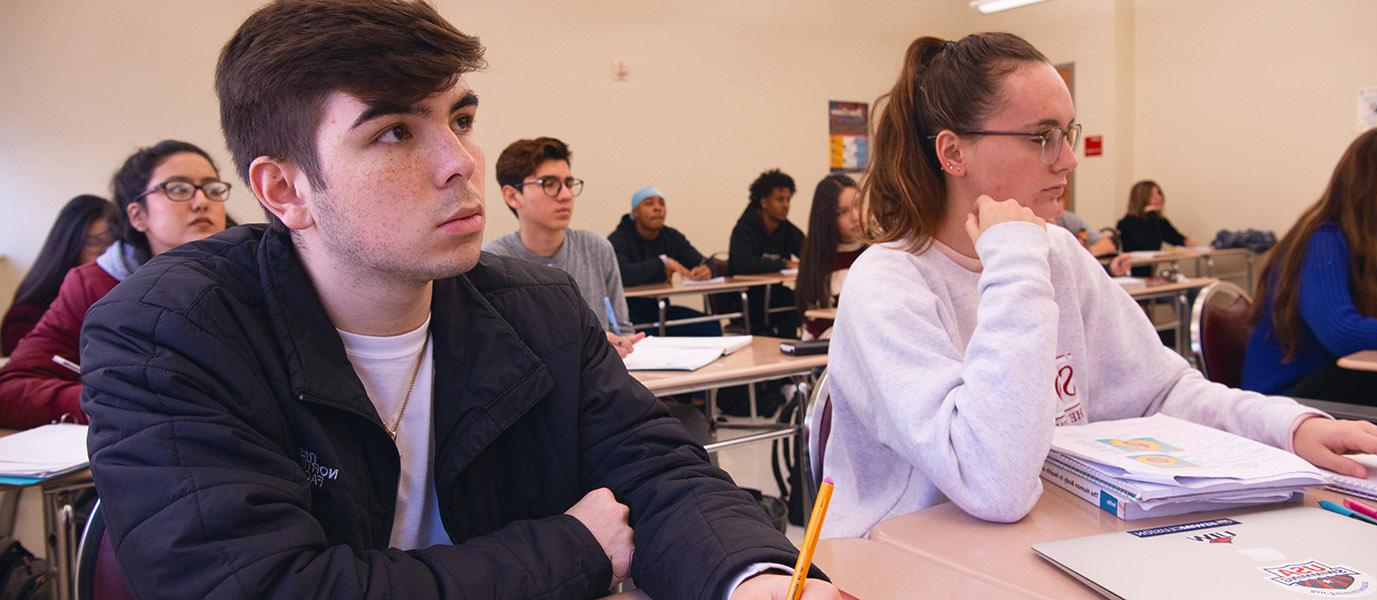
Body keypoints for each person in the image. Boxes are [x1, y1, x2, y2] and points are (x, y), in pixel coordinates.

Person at [80, 2, 841, 599]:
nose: (462, 161)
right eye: (394, 132)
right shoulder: (168, 333)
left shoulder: (533, 306)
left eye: (461, 118)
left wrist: (754, 580)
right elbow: (266, 588)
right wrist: (572, 550)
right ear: (286, 189)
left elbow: (659, 472)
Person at [819, 33, 1377, 539]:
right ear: (953, 152)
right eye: (1042, 136)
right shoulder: (889, 283)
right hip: (903, 560)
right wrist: (1016, 260)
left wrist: (1293, 428)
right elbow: (993, 483)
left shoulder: (1056, 253)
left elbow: (1161, 393)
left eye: (1068, 132)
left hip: (1047, 534)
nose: (1069, 159)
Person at [0, 140, 227, 429]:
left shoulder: (258, 271)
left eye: (213, 189)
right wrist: (113, 401)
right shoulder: (93, 284)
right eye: (178, 189)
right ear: (137, 215)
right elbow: (9, 391)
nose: (201, 201)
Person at [1243, 127, 1377, 407]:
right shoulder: (1322, 240)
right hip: (1285, 402)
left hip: (1326, 386)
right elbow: (1341, 332)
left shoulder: (1372, 248)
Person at [482, 137, 644, 357]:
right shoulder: (493, 263)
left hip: (601, 384)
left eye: (568, 183)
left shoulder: (597, 249)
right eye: (549, 184)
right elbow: (494, 354)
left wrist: (622, 343)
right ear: (512, 196)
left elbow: (622, 329)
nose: (566, 195)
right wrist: (587, 348)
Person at [1, 195, 118, 356]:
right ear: (70, 246)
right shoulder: (30, 312)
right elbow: (21, 360)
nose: (111, 256)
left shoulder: (124, 286)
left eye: (117, 244)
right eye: (96, 244)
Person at [608, 185, 721, 336]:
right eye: (649, 203)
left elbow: (703, 261)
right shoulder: (619, 239)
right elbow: (624, 274)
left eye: (661, 203)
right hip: (628, 315)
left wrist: (707, 269)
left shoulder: (671, 237)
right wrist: (662, 263)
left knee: (710, 325)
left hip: (661, 310)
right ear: (635, 212)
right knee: (648, 337)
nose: (657, 208)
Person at [728, 169, 804, 337]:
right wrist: (783, 263)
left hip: (775, 295)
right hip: (745, 298)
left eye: (788, 199)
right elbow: (745, 264)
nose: (786, 205)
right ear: (764, 202)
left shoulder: (786, 228)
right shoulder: (745, 228)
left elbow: (809, 251)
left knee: (797, 301)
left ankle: (792, 350)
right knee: (783, 305)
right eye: (779, 199)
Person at [794, 174, 866, 340]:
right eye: (843, 212)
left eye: (858, 205)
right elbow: (818, 323)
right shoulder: (818, 260)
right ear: (827, 219)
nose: (855, 217)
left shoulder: (878, 251)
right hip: (828, 345)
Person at [1117, 180, 1196, 252]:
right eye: (1151, 195)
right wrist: (1151, 214)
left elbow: (1174, 237)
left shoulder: (1159, 220)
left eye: (1158, 193)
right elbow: (1152, 246)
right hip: (1131, 267)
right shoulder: (1128, 222)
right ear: (1141, 199)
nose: (1158, 198)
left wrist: (1185, 241)